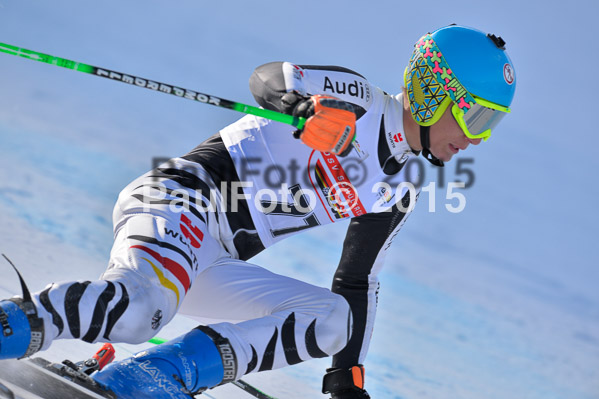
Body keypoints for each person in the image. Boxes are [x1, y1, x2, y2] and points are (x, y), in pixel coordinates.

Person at [0, 25, 516, 398]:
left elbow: (357, 283)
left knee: (332, 318)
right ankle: (12, 327)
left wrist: (346, 382)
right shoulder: (358, 101)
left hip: (215, 260)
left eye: (490, 122)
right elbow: (269, 77)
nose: (476, 137)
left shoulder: (404, 182)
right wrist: (303, 108)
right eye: (475, 114)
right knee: (139, 313)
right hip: (183, 202)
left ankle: (147, 383)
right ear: (433, 92)